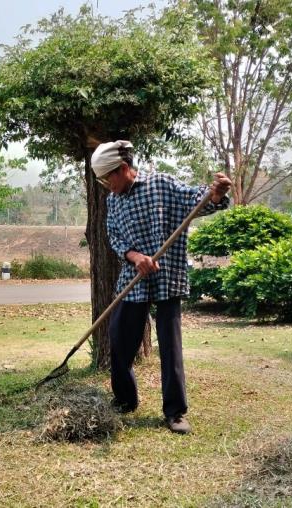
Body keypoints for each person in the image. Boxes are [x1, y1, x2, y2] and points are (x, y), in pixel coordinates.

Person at [92, 140, 232, 434]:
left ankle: (175, 412)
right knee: (119, 341)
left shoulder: (161, 185)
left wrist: (215, 194)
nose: (106, 186)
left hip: (167, 275)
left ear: (123, 168)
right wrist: (135, 257)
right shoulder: (113, 200)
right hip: (134, 279)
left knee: (170, 347)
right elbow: (114, 237)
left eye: (107, 178)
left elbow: (196, 199)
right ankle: (125, 400)